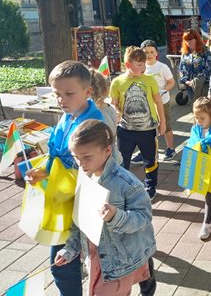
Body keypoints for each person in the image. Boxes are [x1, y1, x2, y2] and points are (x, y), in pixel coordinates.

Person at [26, 61, 105, 296]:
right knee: (68, 262)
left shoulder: (93, 122)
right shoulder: (68, 115)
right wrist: (44, 172)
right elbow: (58, 156)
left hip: (83, 201)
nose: (61, 99)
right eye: (57, 94)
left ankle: (143, 272)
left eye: (69, 93)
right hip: (66, 198)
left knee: (65, 264)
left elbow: (96, 165)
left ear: (87, 92)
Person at [55, 119, 156, 296]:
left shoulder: (127, 183)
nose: (81, 164)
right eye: (76, 158)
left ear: (107, 151)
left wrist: (116, 216)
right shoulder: (84, 177)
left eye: (86, 157)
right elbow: (79, 222)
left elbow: (144, 217)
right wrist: (70, 249)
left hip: (119, 261)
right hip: (96, 258)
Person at [110, 46, 166, 200]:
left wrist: (163, 122)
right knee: (122, 161)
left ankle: (150, 186)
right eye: (139, 65)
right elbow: (114, 103)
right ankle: (125, 188)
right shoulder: (117, 82)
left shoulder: (149, 80)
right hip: (125, 130)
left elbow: (158, 101)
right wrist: (116, 110)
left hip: (147, 130)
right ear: (128, 65)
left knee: (150, 160)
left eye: (144, 64)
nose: (143, 67)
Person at [187, 97, 211, 240]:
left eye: (202, 118)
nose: (199, 121)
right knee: (207, 191)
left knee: (209, 192)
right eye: (196, 118)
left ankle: (206, 224)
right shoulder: (195, 129)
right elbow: (191, 144)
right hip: (201, 166)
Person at [142, 39, 177, 161]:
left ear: (156, 53)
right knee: (149, 127)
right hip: (147, 103)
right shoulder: (141, 68)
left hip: (162, 102)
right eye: (146, 52)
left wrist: (164, 90)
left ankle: (170, 148)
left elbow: (171, 82)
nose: (149, 55)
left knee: (165, 125)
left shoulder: (162, 67)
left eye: (152, 52)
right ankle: (150, 151)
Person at [179, 29, 211, 102]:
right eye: (186, 40)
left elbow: (209, 69)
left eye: (190, 39)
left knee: (204, 109)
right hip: (190, 87)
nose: (188, 42)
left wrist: (196, 81)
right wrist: (186, 81)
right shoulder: (185, 53)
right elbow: (181, 69)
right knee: (195, 108)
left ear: (196, 39)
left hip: (204, 87)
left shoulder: (205, 50)